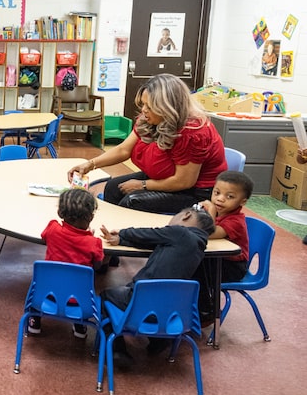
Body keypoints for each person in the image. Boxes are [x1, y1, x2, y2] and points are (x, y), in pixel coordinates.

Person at [69, 73, 227, 214]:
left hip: (193, 191)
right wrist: (90, 164)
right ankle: (115, 232)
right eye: (143, 104)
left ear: (167, 108)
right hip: (162, 177)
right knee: (112, 188)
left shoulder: (193, 132)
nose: (144, 110)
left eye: (149, 107)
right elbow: (124, 150)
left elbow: (184, 181)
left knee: (133, 201)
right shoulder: (151, 118)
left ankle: (130, 238)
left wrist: (143, 185)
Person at [99, 205, 215, 363]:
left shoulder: (180, 232)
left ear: (187, 215)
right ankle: (158, 341)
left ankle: (116, 350)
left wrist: (122, 232)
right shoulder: (198, 246)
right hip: (171, 311)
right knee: (154, 300)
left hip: (140, 302)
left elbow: (148, 234)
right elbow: (152, 242)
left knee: (106, 294)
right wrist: (122, 241)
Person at [28, 188, 105, 337]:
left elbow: (45, 237)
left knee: (40, 284)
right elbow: (98, 266)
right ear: (90, 217)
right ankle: (80, 325)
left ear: (60, 213)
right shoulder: (94, 242)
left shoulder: (53, 228)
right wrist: (89, 238)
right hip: (79, 302)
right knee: (81, 285)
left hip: (46, 296)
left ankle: (35, 321)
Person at [195, 170, 254, 315]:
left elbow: (208, 233)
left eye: (230, 196)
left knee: (196, 267)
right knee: (188, 260)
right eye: (217, 193)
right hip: (217, 259)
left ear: (242, 201)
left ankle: (207, 310)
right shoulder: (220, 214)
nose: (220, 199)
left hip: (233, 267)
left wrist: (211, 211)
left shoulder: (235, 221)